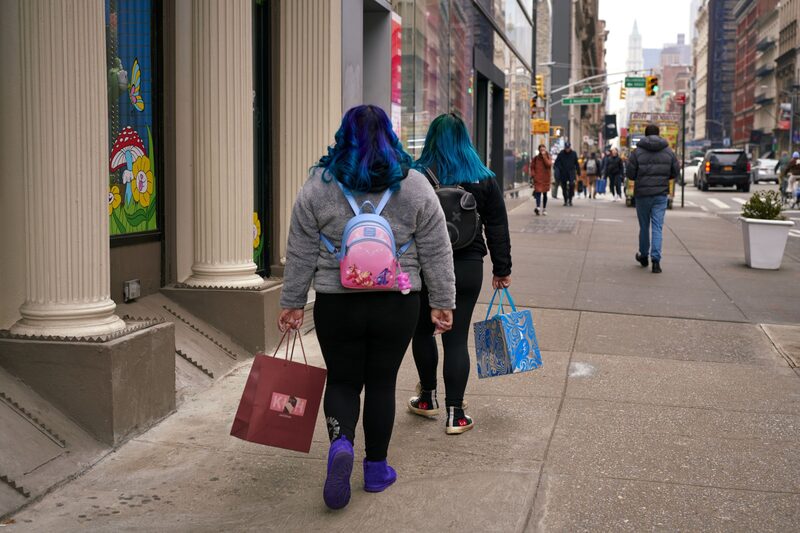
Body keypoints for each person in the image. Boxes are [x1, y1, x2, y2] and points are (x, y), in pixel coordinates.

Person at [278, 105, 456, 510]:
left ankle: (341, 443)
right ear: (391, 138)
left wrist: (292, 303)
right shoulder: (415, 185)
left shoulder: (319, 186)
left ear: (343, 138)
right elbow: (437, 248)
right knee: (381, 384)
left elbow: (300, 250)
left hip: (336, 303)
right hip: (397, 303)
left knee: (342, 382)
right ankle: (376, 469)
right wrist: (442, 302)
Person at [410, 112, 512, 435]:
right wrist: (502, 268)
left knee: (422, 332)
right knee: (456, 340)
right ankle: (456, 415)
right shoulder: (483, 177)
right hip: (468, 265)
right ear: (465, 140)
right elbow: (497, 225)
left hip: (426, 266)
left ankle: (427, 398)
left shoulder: (417, 176)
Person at [627, 124, 680, 274]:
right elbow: (675, 172)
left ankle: (643, 256)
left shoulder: (637, 152)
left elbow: (630, 174)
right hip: (660, 194)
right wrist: (664, 178)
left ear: (645, 135)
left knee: (644, 226)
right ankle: (656, 261)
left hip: (642, 194)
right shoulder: (668, 151)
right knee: (657, 227)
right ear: (659, 134)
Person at [554, 142, 581, 206]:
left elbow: (576, 163)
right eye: (566, 148)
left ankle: (570, 199)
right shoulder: (561, 153)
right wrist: (559, 169)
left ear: (570, 147)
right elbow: (556, 163)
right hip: (563, 172)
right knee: (564, 187)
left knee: (572, 185)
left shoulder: (573, 153)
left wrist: (578, 171)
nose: (567, 149)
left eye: (568, 148)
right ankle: (565, 200)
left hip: (571, 172)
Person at [531, 143, 553, 215]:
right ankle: (538, 207)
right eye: (541, 150)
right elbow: (532, 167)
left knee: (545, 194)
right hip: (538, 179)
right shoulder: (536, 158)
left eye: (543, 149)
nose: (542, 151)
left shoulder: (548, 157)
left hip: (546, 179)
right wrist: (533, 175)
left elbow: (548, 164)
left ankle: (544, 208)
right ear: (539, 150)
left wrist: (544, 156)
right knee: (538, 193)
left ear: (545, 150)